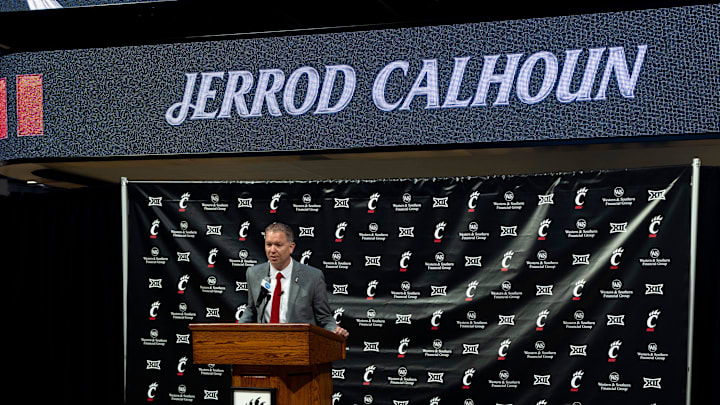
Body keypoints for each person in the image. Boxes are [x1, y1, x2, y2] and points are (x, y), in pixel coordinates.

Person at [238, 222, 349, 338]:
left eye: (278, 245)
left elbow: (324, 317)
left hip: (299, 345)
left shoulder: (313, 277)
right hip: (265, 343)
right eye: (268, 244)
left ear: (291, 247)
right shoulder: (254, 274)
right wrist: (235, 330)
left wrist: (335, 330)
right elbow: (251, 310)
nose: (272, 250)